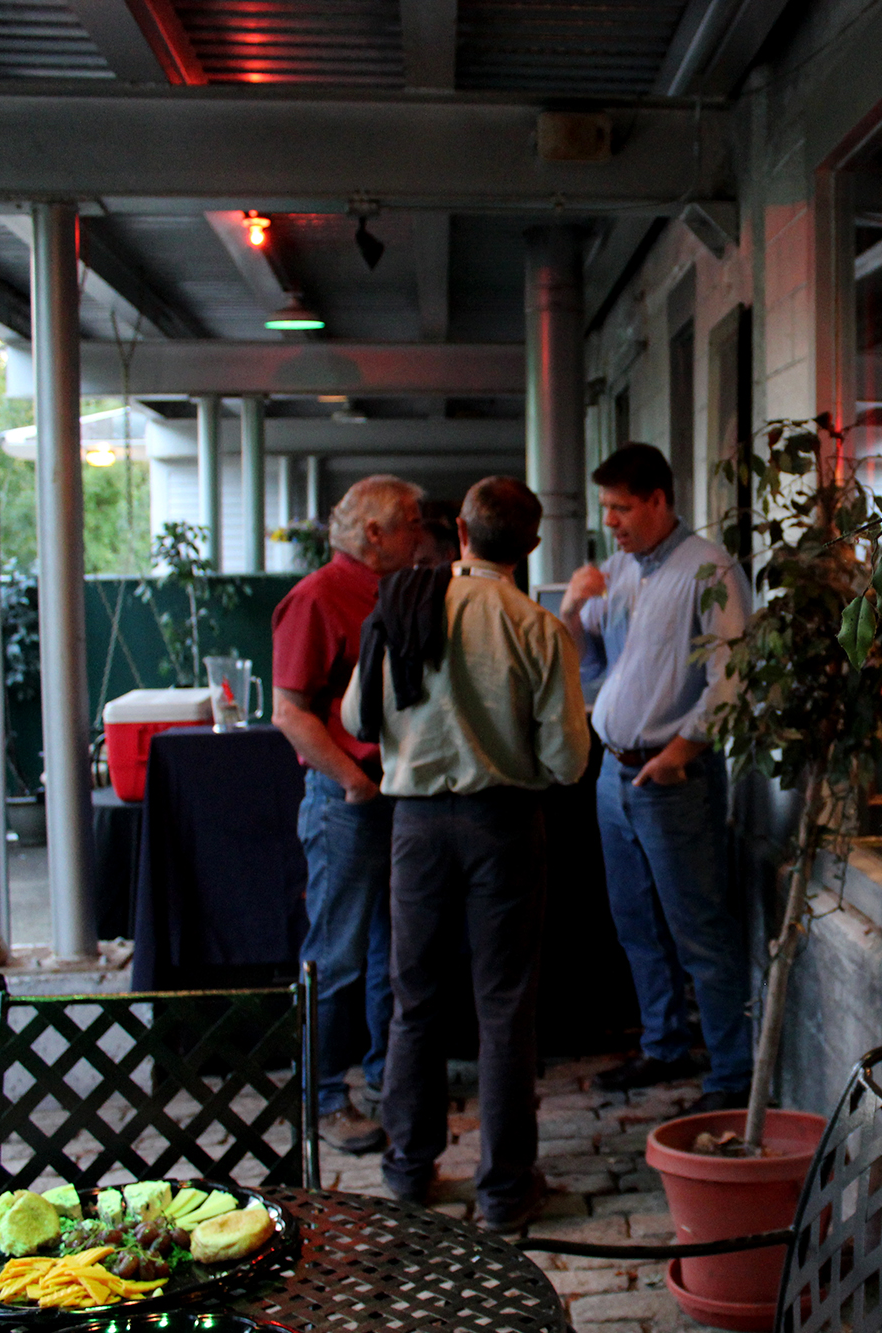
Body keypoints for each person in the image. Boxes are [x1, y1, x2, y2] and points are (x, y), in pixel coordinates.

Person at [343, 475, 590, 1224]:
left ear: (460, 532)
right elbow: (569, 762)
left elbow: (358, 716)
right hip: (503, 825)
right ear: (532, 545)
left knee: (414, 1000)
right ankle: (505, 1189)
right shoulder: (536, 625)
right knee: (505, 1006)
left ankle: (409, 1170)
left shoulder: (404, 602)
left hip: (415, 826)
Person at [560, 443, 754, 1112]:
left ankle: (731, 1073)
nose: (610, 520)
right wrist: (571, 607)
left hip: (672, 776)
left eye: (620, 508)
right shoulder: (617, 570)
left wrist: (682, 749)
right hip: (613, 774)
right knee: (635, 923)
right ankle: (664, 1044)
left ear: (659, 501)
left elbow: (734, 676)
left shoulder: (709, 569)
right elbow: (581, 665)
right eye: (605, 508)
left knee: (699, 927)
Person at [271, 474, 425, 1155]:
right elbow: (289, 711)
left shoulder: (397, 591)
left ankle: (383, 1084)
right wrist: (353, 781)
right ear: (374, 533)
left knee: (391, 951)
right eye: (412, 522)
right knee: (335, 956)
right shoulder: (315, 598)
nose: (421, 534)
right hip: (350, 799)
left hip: (397, 797)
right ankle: (324, 1098)